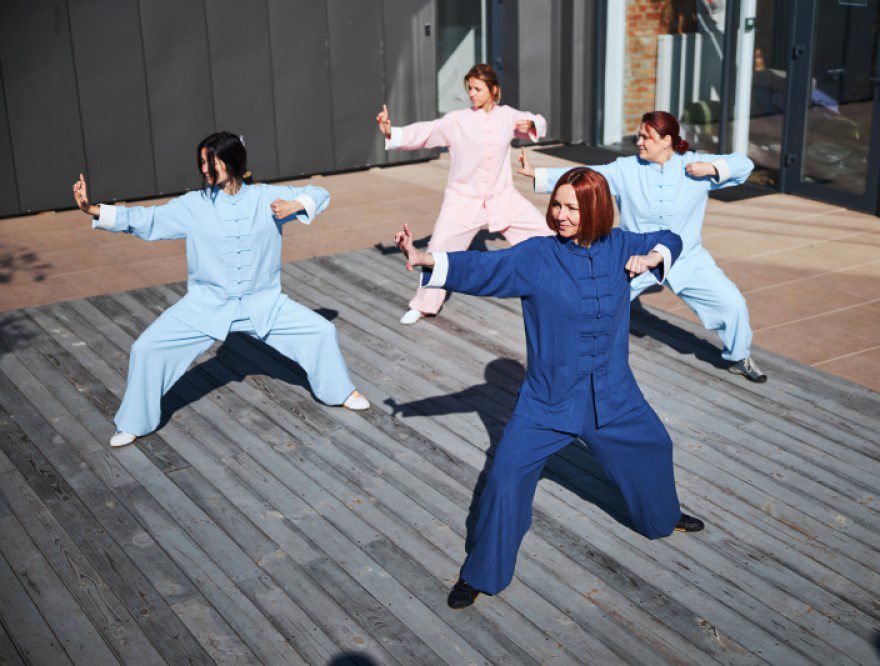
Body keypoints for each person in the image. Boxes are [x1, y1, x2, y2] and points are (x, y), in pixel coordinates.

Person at [394, 167, 704, 608]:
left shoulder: (621, 245)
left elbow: (672, 236)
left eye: (572, 207)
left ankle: (662, 517)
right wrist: (428, 259)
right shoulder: (536, 256)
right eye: (556, 204)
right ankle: (482, 574)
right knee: (504, 480)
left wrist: (654, 256)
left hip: (615, 394)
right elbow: (483, 266)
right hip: (548, 401)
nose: (559, 214)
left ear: (596, 209)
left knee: (655, 445)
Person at [72, 131, 369, 448]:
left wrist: (296, 203)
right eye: (201, 162)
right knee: (146, 348)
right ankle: (134, 421)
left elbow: (319, 193)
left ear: (232, 160)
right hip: (206, 305)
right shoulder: (193, 206)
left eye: (210, 161)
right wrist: (93, 210)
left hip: (264, 303)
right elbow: (147, 218)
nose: (204, 169)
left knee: (321, 331)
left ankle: (339, 392)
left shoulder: (265, 197)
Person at [519, 110, 767, 382]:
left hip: (686, 257)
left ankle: (738, 357)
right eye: (638, 136)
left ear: (666, 140)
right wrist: (537, 174)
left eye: (646, 137)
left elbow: (744, 164)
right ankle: (566, 360)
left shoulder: (695, 164)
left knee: (733, 304)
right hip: (633, 258)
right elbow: (587, 176)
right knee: (593, 306)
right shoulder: (626, 168)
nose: (639, 142)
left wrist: (712, 168)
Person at [376, 63, 553, 325]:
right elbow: (428, 131)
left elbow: (538, 121)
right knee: (437, 250)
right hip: (463, 201)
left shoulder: (507, 116)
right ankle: (424, 305)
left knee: (545, 237)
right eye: (469, 88)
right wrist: (394, 132)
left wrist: (532, 123)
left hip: (503, 197)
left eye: (477, 88)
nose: (471, 93)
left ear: (493, 90)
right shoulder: (458, 120)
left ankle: (562, 284)